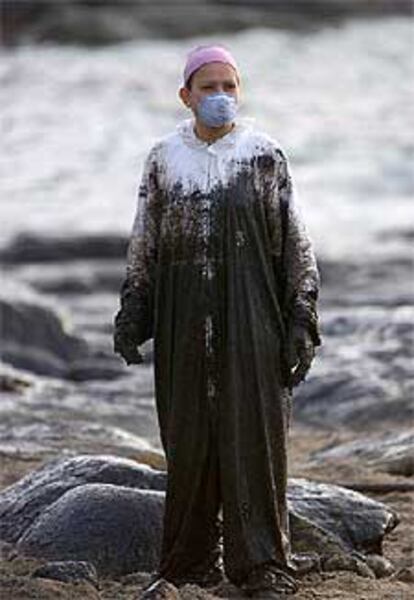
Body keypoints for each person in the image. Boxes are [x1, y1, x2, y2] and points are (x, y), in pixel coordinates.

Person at [113, 44, 322, 599]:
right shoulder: (163, 158)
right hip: (182, 320)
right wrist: (134, 308)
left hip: (254, 320)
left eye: (230, 86)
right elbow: (146, 240)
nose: (221, 97)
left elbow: (295, 243)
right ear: (186, 96)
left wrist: (301, 316)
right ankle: (189, 562)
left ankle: (263, 565)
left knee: (255, 437)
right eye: (209, 87)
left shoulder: (263, 154)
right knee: (189, 438)